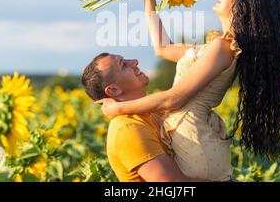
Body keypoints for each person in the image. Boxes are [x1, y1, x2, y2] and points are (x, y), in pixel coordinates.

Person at [96, 0, 280, 181]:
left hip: (194, 141)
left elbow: (174, 98)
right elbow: (163, 48)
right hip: (192, 137)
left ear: (244, 5)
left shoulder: (222, 48)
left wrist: (117, 108)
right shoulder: (219, 46)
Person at [81, 53, 207, 182]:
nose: (135, 61)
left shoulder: (151, 110)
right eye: (123, 65)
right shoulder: (127, 129)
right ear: (113, 90)